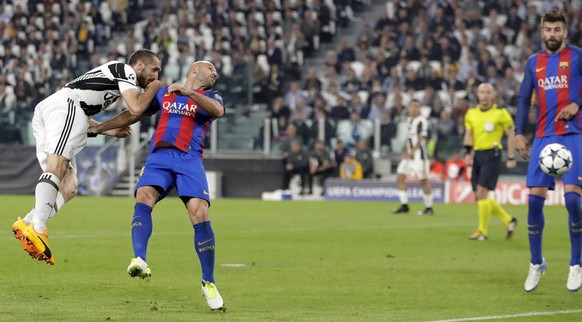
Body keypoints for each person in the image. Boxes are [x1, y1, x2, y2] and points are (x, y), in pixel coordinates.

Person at [92, 60, 225, 309]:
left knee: (200, 213)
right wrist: (101, 128)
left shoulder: (211, 96)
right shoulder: (163, 93)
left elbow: (218, 111)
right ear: (194, 70)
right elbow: (134, 113)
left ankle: (208, 282)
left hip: (189, 159)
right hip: (159, 156)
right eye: (211, 69)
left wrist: (189, 92)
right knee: (143, 196)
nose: (215, 73)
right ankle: (140, 259)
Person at [11, 49, 162, 265]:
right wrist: (155, 87)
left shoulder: (111, 80)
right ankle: (38, 228)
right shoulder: (125, 70)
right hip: (66, 107)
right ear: (139, 65)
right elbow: (136, 108)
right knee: (56, 168)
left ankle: (26, 223)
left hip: (62, 110)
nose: (155, 76)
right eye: (154, 69)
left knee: (70, 186)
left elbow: (92, 117)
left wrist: (105, 129)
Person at [514, 9, 582, 293]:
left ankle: (576, 264)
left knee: (573, 202)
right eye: (547, 30)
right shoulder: (534, 62)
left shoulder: (578, 56)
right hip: (543, 137)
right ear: (541, 32)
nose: (552, 35)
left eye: (557, 30)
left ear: (565, 31)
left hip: (573, 135)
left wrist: (577, 103)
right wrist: (518, 133)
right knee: (532, 204)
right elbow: (522, 99)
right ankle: (536, 262)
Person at [463, 83, 518, 241]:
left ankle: (482, 231)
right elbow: (469, 134)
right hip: (477, 155)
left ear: (493, 96)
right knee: (478, 196)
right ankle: (508, 220)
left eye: (488, 92)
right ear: (477, 94)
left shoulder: (500, 113)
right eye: (482, 92)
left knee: (481, 192)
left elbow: (511, 135)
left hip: (492, 154)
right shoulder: (471, 113)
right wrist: (468, 153)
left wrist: (511, 157)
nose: (485, 95)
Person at [392, 99, 434, 215]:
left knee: (423, 180)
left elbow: (422, 138)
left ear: (419, 108)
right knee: (400, 177)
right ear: (409, 108)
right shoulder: (409, 120)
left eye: (416, 106)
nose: (414, 109)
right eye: (412, 106)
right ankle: (404, 205)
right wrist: (405, 149)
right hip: (409, 156)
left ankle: (429, 207)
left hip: (419, 156)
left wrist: (413, 151)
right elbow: (409, 137)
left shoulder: (422, 121)